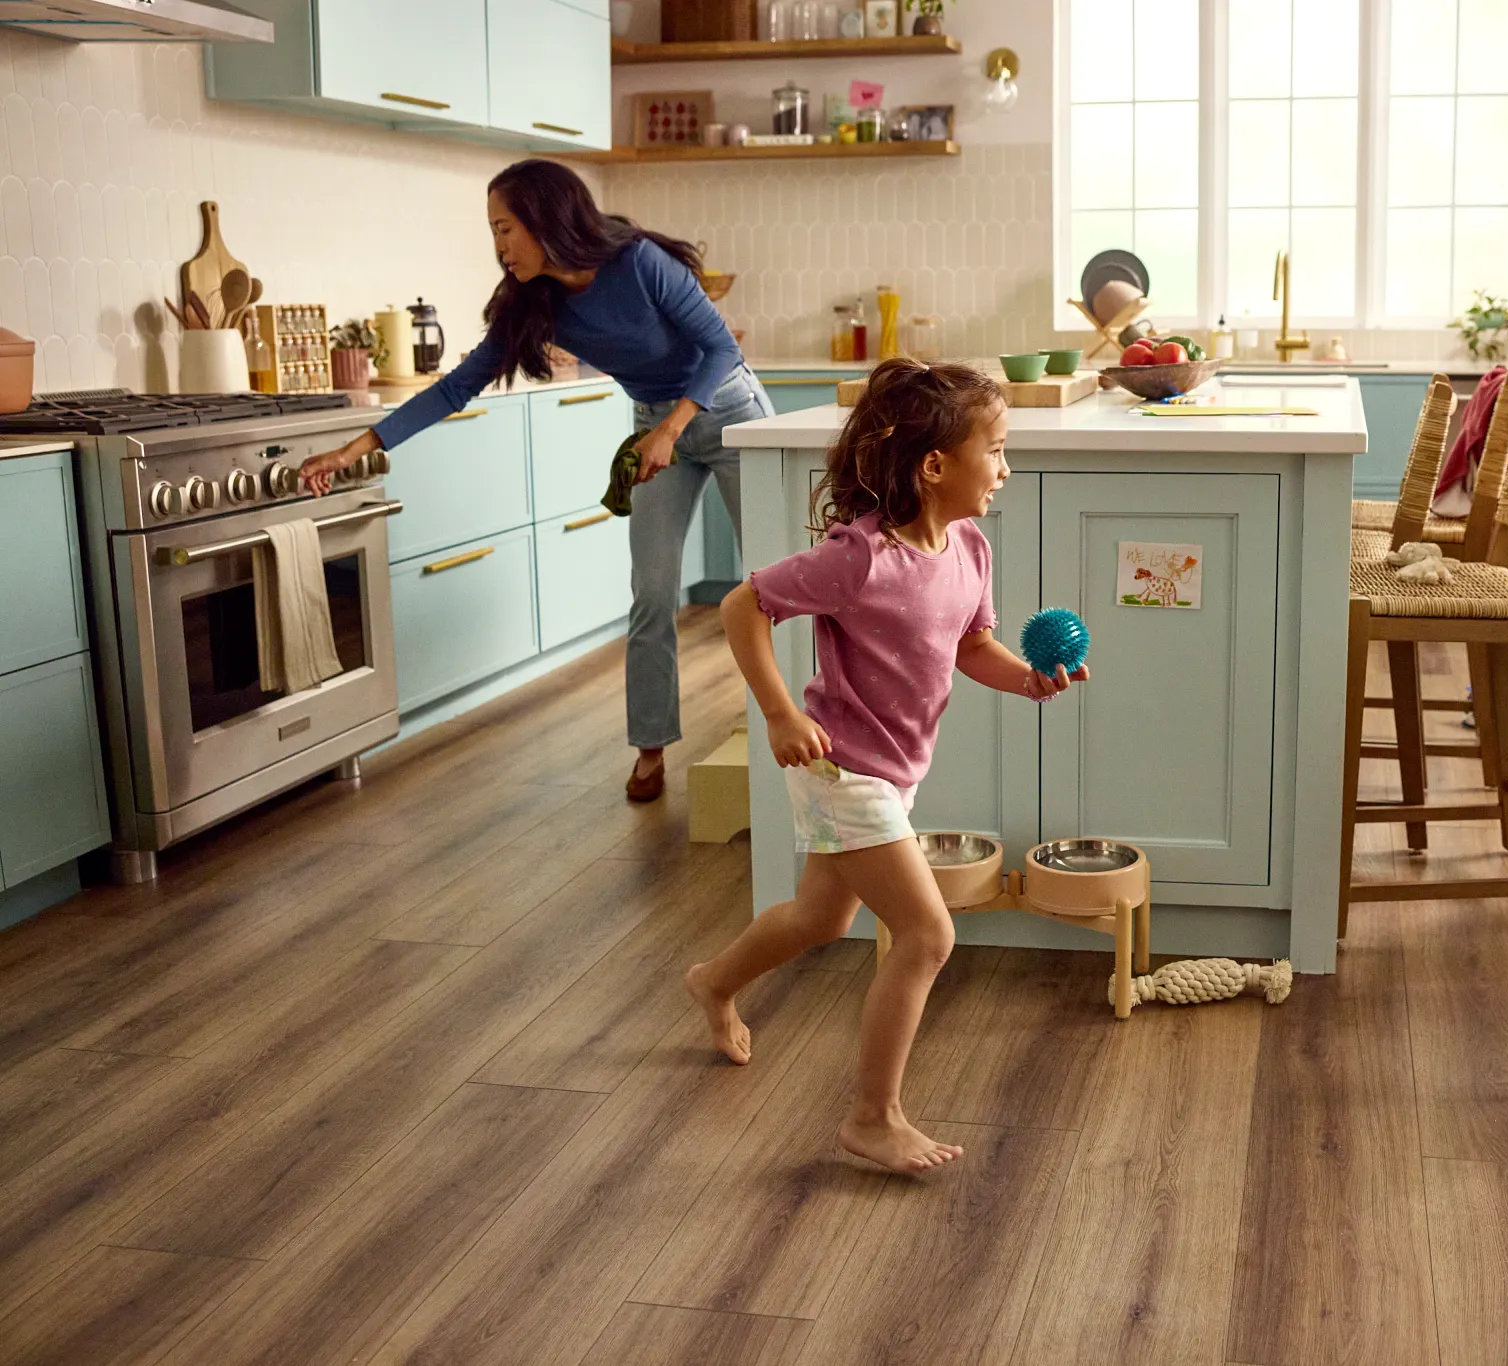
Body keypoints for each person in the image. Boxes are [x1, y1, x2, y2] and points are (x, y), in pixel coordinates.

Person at [684, 359, 1086, 1173]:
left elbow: (971, 645)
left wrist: (1028, 679)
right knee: (926, 933)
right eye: (997, 450)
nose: (1007, 469)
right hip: (841, 766)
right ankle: (874, 1115)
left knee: (822, 919)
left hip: (895, 767)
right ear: (935, 465)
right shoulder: (858, 557)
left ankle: (712, 982)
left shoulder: (968, 546)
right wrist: (780, 714)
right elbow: (742, 605)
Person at [300, 159, 769, 803]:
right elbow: (457, 386)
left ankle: (788, 724)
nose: (498, 246)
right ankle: (650, 748)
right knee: (651, 593)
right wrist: (358, 446)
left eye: (505, 228)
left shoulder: (639, 263)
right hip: (654, 424)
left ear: (547, 220)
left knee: (771, 585)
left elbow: (723, 350)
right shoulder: (534, 300)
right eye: (492, 230)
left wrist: (671, 429)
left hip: (727, 412)